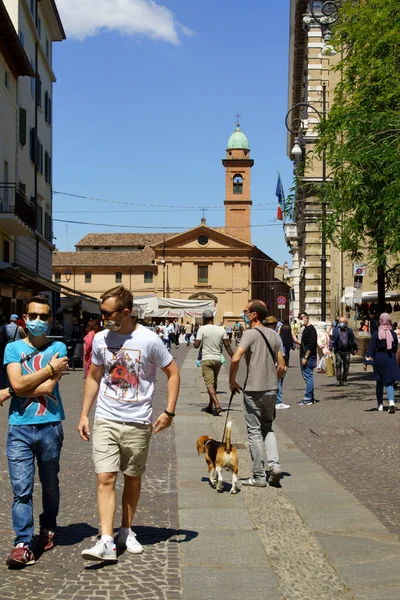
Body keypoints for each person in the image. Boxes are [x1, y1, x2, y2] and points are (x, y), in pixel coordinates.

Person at [78, 286, 179, 562]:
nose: (102, 318)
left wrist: (169, 412)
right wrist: (84, 413)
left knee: (133, 478)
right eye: (101, 313)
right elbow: (94, 377)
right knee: (105, 477)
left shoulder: (149, 340)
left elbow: (172, 372)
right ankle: (107, 540)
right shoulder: (100, 339)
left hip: (138, 422)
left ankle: (126, 530)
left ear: (125, 312)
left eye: (107, 313)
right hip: (106, 419)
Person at [4, 296, 69, 567]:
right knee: (21, 488)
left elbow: (45, 389)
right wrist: (49, 368)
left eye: (43, 317)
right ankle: (22, 542)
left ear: (50, 320)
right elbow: (17, 383)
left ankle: (48, 528)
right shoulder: (12, 348)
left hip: (50, 426)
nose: (38, 321)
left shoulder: (59, 347)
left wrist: (13, 390)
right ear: (24, 318)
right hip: (19, 427)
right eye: (33, 316)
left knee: (50, 484)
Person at [229, 300, 285, 487]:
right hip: (271, 389)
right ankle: (275, 465)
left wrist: (232, 380)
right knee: (267, 428)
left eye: (246, 311)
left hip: (253, 389)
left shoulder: (249, 334)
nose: (244, 313)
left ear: (254, 315)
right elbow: (282, 366)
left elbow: (235, 358)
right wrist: (273, 380)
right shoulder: (275, 336)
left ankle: (259, 476)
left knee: (253, 432)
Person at [194, 309, 233, 415]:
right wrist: (234, 357)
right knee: (214, 383)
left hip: (206, 359)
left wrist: (197, 339)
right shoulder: (221, 329)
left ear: (204, 318)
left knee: (209, 384)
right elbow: (227, 345)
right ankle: (210, 406)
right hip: (217, 360)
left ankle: (217, 405)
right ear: (212, 318)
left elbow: (196, 345)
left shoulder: (202, 329)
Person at [364, 313, 400, 413]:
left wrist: (366, 361)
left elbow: (371, 348)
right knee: (389, 382)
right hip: (390, 358)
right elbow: (395, 346)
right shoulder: (393, 334)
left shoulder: (376, 334)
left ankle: (379, 404)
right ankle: (391, 402)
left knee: (379, 381)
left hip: (379, 358)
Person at [265, 316, 290, 410]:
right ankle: (278, 401)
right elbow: (281, 352)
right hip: (275, 363)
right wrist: (284, 364)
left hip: (265, 363)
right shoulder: (275, 336)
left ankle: (268, 401)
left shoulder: (262, 335)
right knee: (278, 381)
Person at [296, 312, 318, 406]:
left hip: (308, 357)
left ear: (307, 318)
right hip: (307, 356)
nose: (300, 320)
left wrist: (305, 357)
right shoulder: (307, 329)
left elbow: (311, 345)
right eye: (299, 318)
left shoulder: (311, 329)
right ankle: (311, 397)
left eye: (301, 318)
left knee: (308, 377)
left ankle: (308, 398)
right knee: (308, 377)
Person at [330, 317, 358, 386]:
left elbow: (353, 340)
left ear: (346, 323)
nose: (342, 323)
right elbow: (333, 340)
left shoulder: (349, 330)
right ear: (339, 323)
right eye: (341, 322)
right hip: (339, 351)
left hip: (347, 351)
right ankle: (338, 380)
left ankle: (344, 379)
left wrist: (355, 349)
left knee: (346, 366)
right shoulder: (335, 330)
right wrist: (330, 347)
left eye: (344, 322)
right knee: (338, 365)